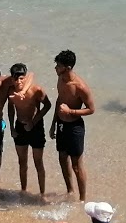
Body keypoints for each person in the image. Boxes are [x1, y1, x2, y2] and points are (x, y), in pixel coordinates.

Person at [51, 50, 93, 201]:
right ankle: (70, 191)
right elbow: (59, 100)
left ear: (68, 68)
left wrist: (71, 111)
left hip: (75, 127)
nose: (56, 68)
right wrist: (53, 123)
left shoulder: (80, 87)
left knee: (76, 165)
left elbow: (91, 109)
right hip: (61, 124)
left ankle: (82, 199)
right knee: (62, 158)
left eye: (59, 65)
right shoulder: (60, 79)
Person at [7, 62, 52, 198]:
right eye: (16, 78)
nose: (19, 81)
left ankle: (42, 193)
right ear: (12, 79)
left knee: (38, 161)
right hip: (20, 127)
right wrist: (11, 127)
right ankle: (23, 190)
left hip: (36, 127)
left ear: (26, 78)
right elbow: (10, 109)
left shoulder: (36, 90)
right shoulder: (11, 92)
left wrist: (33, 122)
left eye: (21, 78)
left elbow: (48, 105)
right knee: (22, 161)